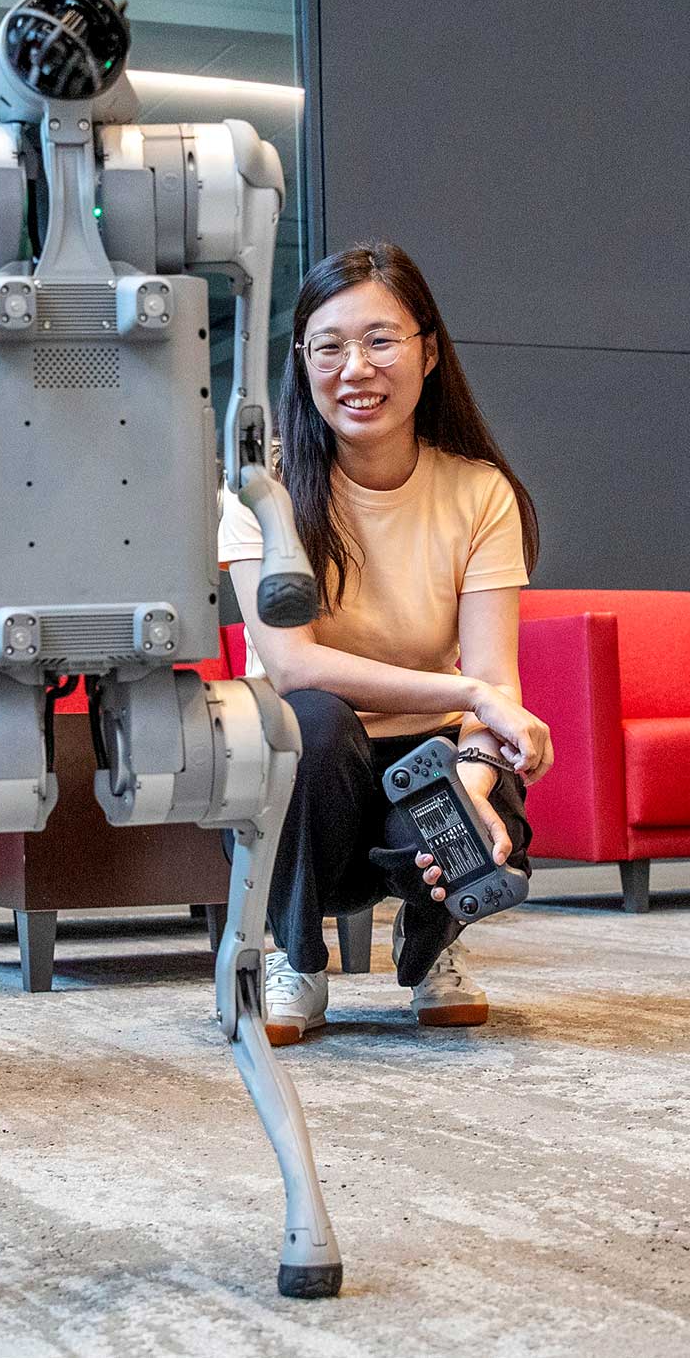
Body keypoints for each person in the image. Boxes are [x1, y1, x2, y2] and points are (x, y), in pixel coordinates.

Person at [219, 241, 553, 1045]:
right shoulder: (262, 493)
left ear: (428, 351)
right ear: (302, 361)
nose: (355, 368)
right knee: (315, 716)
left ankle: (433, 941)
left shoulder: (479, 492)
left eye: (380, 341)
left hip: (420, 766)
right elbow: (293, 662)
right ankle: (295, 955)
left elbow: (494, 675)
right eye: (328, 346)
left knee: (490, 773)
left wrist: (476, 781)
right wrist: (471, 695)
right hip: (306, 778)